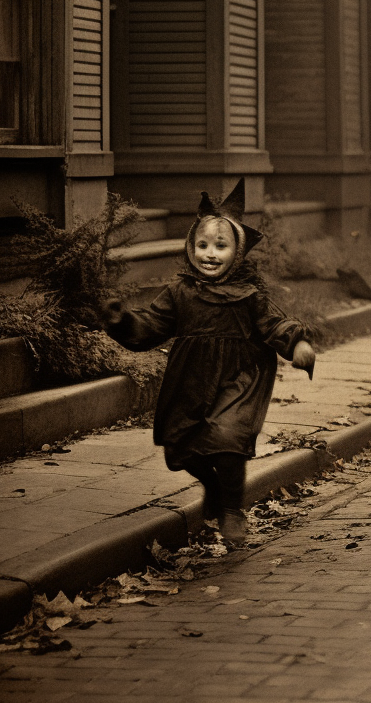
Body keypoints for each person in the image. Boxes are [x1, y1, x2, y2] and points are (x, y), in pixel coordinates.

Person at [104, 180, 316, 546]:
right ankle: (214, 488)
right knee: (180, 447)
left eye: (221, 246)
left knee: (227, 438)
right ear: (190, 248)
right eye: (202, 245)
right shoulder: (179, 293)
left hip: (242, 377)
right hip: (192, 380)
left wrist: (296, 343)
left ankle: (232, 510)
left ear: (238, 252)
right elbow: (150, 327)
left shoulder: (250, 294)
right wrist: (122, 321)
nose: (210, 254)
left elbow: (274, 323)